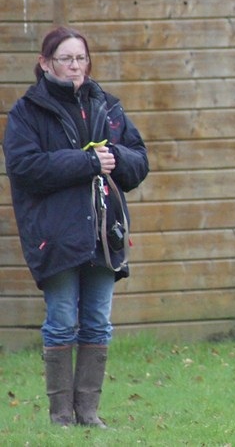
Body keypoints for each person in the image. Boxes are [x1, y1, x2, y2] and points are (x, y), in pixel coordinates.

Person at [3, 26, 149, 427]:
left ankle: (88, 412)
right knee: (62, 319)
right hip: (56, 236)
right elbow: (25, 167)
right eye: (65, 59)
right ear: (45, 63)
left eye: (80, 58)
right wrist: (87, 163)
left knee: (98, 320)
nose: (74, 66)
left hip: (105, 235)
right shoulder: (27, 113)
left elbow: (139, 161)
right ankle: (61, 415)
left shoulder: (108, 106)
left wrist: (115, 156)